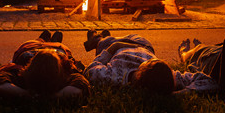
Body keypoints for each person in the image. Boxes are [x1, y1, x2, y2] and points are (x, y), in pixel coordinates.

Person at [84, 31, 218, 94]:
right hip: (143, 44)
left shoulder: (113, 76)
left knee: (104, 44)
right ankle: (105, 36)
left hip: (119, 47)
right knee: (109, 41)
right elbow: (210, 81)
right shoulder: (169, 76)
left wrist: (111, 50)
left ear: (138, 74)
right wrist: (181, 93)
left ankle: (99, 38)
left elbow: (90, 70)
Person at [0, 30, 89, 98]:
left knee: (38, 40)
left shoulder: (19, 72)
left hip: (31, 47)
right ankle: (50, 38)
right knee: (54, 40)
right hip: (58, 48)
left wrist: (27, 95)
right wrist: (54, 97)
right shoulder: (67, 70)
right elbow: (80, 87)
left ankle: (44, 37)